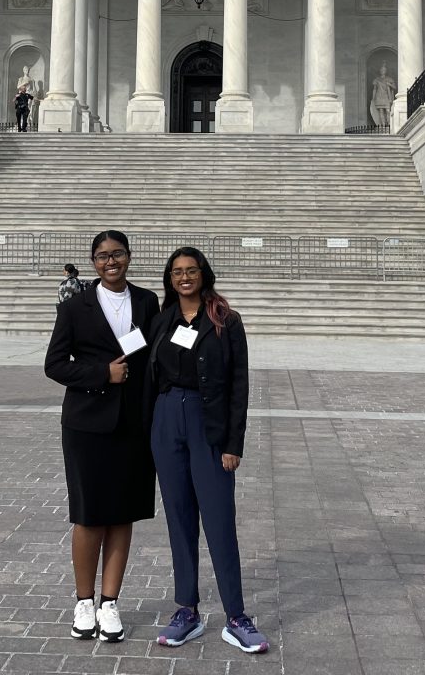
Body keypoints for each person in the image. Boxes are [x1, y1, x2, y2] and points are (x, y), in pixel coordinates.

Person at [146, 245, 269, 655]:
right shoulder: (161, 320)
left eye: (191, 270)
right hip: (167, 422)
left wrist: (234, 443)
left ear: (204, 274)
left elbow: (239, 385)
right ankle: (188, 611)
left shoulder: (225, 321)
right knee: (179, 520)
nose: (184, 277)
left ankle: (236, 616)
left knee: (219, 522)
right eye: (177, 271)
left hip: (208, 426)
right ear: (169, 278)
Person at [44, 230, 160, 643]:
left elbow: (150, 359)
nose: (110, 262)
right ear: (92, 262)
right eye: (102, 256)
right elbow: (54, 364)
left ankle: (111, 602)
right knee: (89, 513)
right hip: (87, 423)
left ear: (129, 257)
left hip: (132, 423)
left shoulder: (146, 301)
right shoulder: (75, 306)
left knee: (123, 512)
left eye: (118, 254)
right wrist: (101, 375)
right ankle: (84, 601)